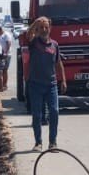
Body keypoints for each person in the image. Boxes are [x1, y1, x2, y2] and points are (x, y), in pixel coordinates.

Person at [25, 16, 64, 150]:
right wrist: (35, 23)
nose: (44, 30)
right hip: (35, 85)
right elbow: (28, 35)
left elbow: (58, 63)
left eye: (46, 27)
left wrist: (63, 80)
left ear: (50, 28)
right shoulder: (34, 42)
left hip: (51, 85)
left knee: (54, 111)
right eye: (41, 27)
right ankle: (38, 143)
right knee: (37, 114)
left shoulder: (54, 45)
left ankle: (52, 142)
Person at [0, 23, 13, 91]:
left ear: (0, 29)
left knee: (1, 70)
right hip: (1, 55)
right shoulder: (0, 36)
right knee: (4, 70)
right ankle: (4, 85)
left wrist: (5, 53)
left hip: (6, 55)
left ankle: (2, 86)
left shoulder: (6, 35)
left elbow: (9, 44)